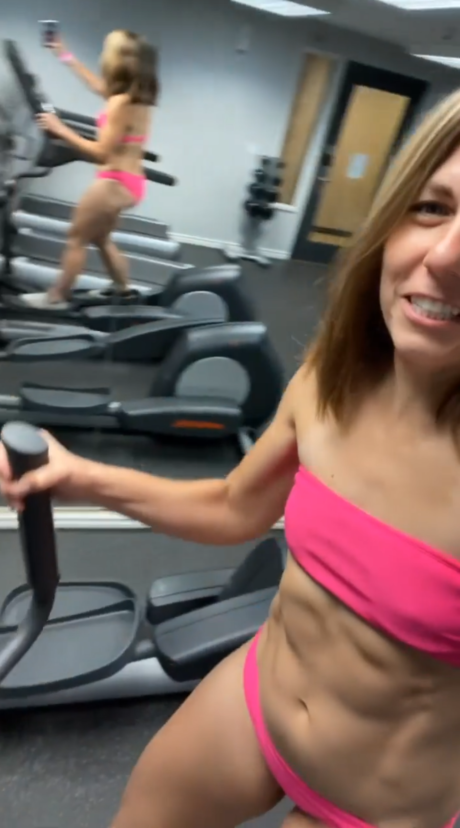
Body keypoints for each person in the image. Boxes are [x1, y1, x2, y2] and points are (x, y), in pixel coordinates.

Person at [2, 88, 460, 828]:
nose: (444, 256)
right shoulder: (332, 381)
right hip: (256, 699)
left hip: (377, 805)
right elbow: (234, 507)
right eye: (432, 208)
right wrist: (80, 475)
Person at [22, 30, 159, 310]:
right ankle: (122, 290)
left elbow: (101, 153)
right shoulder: (135, 97)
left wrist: (60, 129)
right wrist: (63, 54)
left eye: (108, 49)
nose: (102, 55)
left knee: (76, 238)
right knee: (101, 237)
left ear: (120, 60)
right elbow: (95, 85)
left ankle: (57, 297)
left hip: (115, 182)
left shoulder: (120, 103)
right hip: (129, 181)